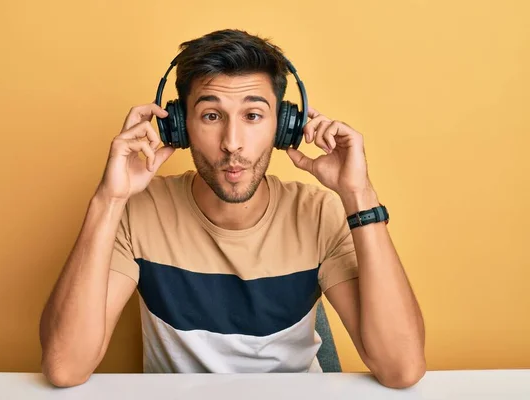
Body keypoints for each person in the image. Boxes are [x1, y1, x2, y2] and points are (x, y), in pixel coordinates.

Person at [39, 29, 426, 389]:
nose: (232, 143)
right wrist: (108, 199)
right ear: (178, 126)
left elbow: (401, 368)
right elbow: (65, 366)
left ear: (283, 126)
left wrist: (359, 194)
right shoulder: (139, 211)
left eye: (253, 116)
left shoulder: (319, 213)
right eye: (211, 116)